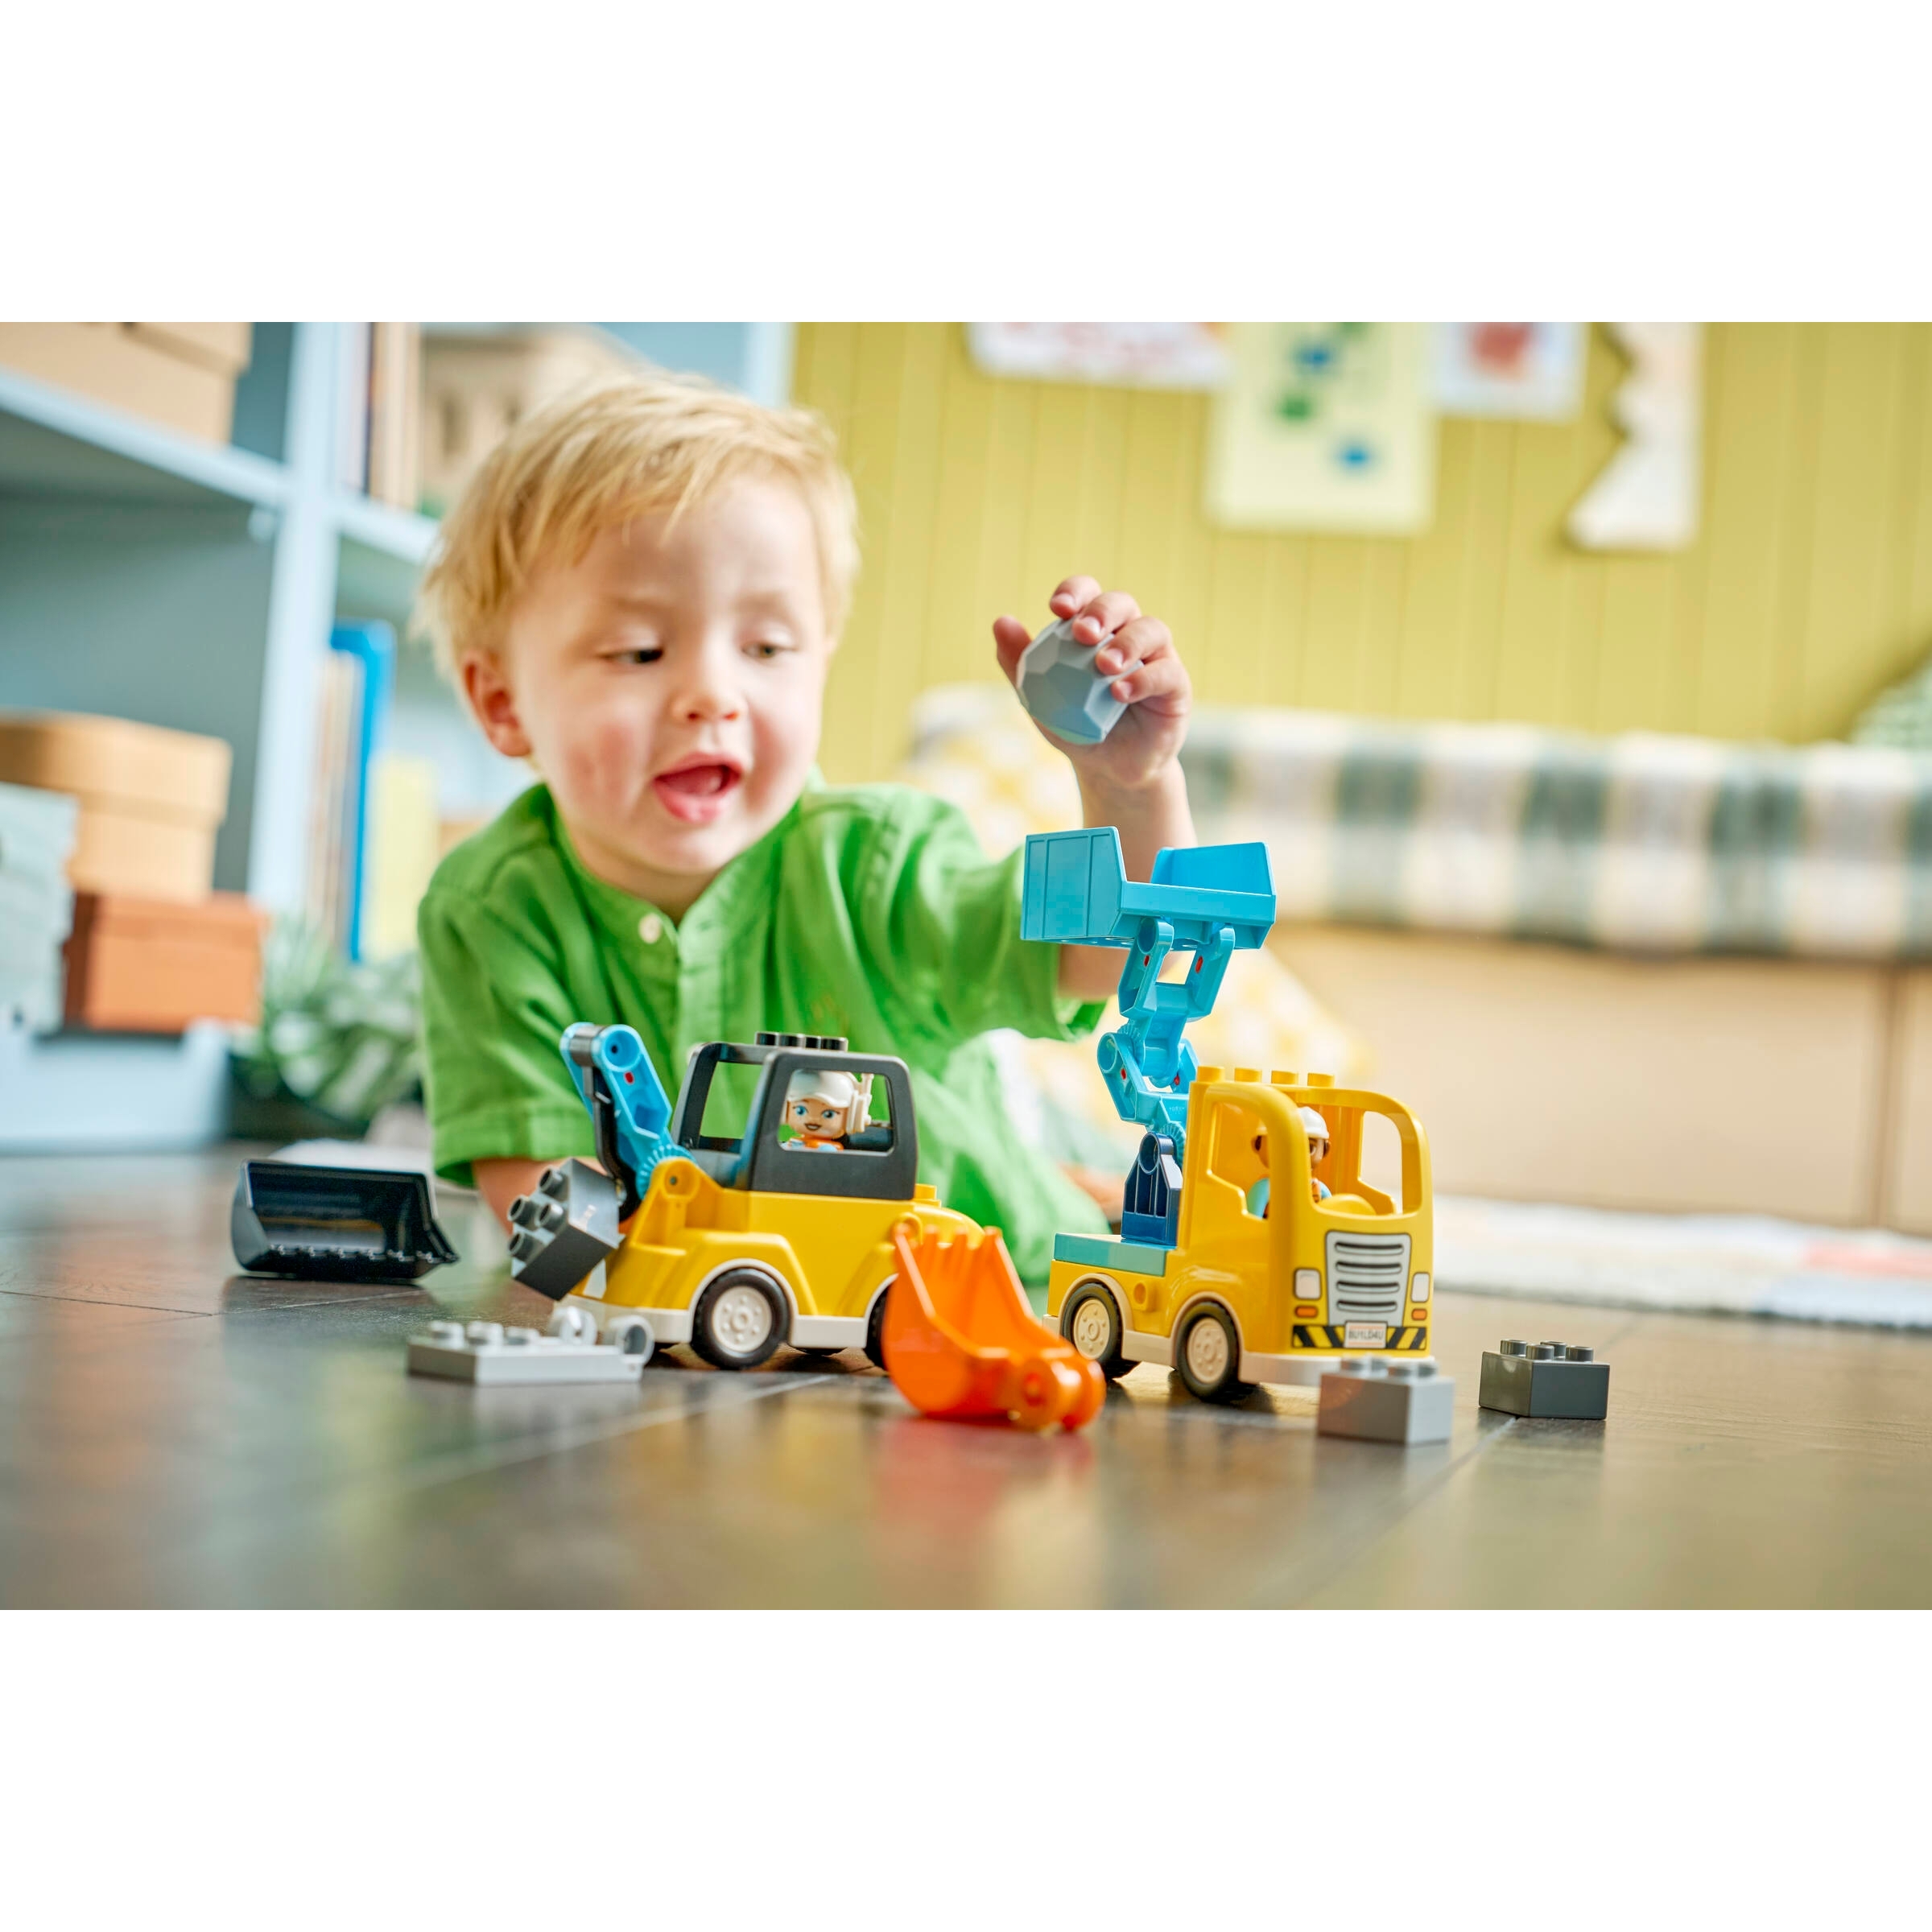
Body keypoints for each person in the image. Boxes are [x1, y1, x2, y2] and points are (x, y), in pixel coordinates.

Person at [411, 374, 1196, 1283]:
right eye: (639, 651)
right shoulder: (487, 909)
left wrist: (1128, 786)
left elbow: (1107, 960)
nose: (713, 695)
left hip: (1009, 1284)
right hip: (731, 1311)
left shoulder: (881, 861)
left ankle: (1090, 1188)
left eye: (766, 648)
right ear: (503, 703)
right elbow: (545, 1196)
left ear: (819, 661)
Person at [1248, 1107, 1334, 1216]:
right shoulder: (1264, 1189)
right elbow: (1252, 1221)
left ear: (1325, 1150)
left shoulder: (1319, 1190)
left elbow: (1331, 1219)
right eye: (1280, 1146)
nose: (1293, 1154)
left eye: (1309, 1148)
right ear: (1257, 1145)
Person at [782, 1068, 871, 1150]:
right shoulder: (793, 1144)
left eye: (828, 1114)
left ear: (853, 1117)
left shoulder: (826, 1149)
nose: (813, 1119)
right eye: (800, 1111)